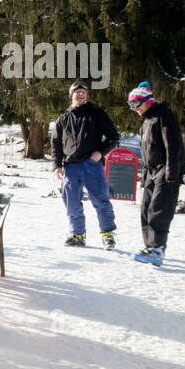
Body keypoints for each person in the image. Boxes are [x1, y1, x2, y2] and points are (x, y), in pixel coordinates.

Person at [52, 80, 120, 248]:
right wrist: (56, 165)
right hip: (71, 167)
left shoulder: (96, 114)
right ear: (71, 95)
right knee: (72, 201)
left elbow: (114, 137)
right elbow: (56, 144)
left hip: (92, 165)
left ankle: (108, 234)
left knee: (100, 200)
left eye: (83, 92)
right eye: (77, 91)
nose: (81, 94)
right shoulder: (63, 119)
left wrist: (101, 152)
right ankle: (77, 234)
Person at [128, 82, 184, 266]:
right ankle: (150, 248)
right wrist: (145, 175)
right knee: (145, 209)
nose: (134, 109)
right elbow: (147, 151)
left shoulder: (163, 115)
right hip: (151, 171)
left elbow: (173, 144)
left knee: (158, 209)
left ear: (148, 101)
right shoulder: (147, 120)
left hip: (165, 169)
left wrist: (171, 170)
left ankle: (157, 248)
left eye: (136, 104)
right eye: (131, 105)